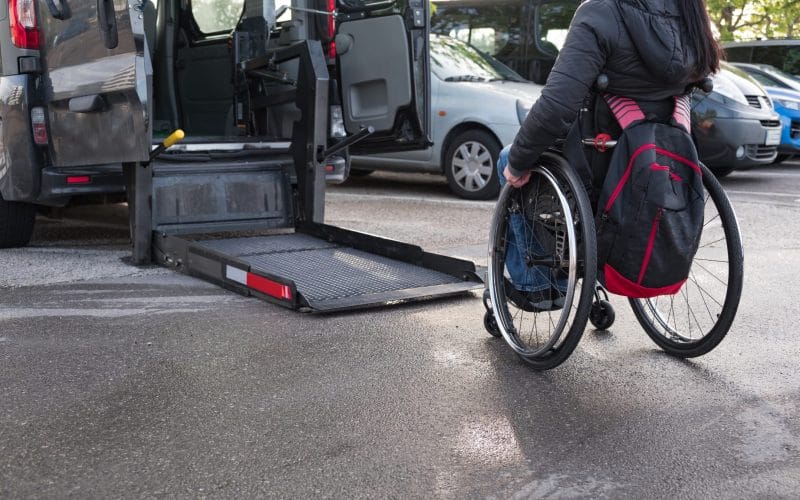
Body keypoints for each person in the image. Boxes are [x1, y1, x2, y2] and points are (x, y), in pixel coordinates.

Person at [497, 0, 722, 311]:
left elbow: (558, 106)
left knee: (507, 160)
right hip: (664, 151)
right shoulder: (691, 13)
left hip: (598, 159)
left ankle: (538, 285)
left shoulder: (601, 13)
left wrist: (520, 160)